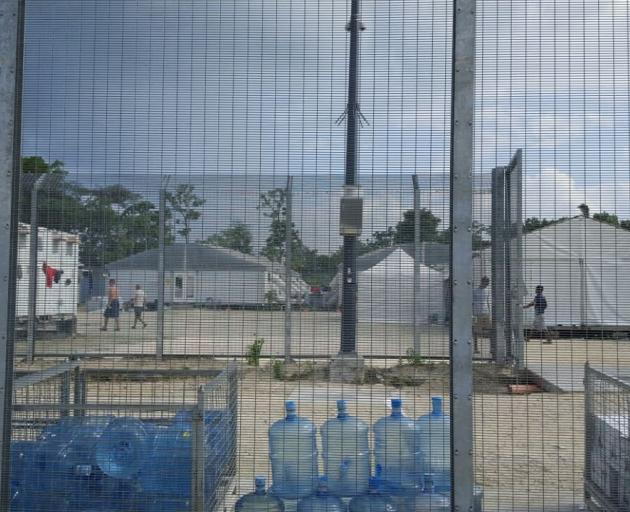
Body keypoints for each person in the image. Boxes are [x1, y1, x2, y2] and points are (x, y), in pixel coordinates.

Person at [472, 276, 491, 353]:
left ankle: (491, 348)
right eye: (486, 282)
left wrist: (490, 312)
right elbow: (472, 302)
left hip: (486, 313)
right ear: (482, 282)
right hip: (477, 313)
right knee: (476, 331)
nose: (487, 284)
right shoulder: (475, 291)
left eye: (488, 283)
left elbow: (488, 302)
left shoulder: (488, 291)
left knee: (489, 331)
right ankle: (476, 348)